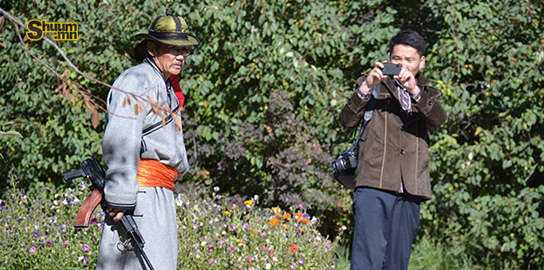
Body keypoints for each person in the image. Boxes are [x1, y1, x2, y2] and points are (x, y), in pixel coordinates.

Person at [97, 9, 200, 270]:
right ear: (152, 49)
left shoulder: (164, 85)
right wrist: (120, 196)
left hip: (158, 193)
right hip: (140, 195)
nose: (180, 56)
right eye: (172, 48)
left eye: (184, 50)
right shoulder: (138, 79)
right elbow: (121, 138)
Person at [340, 30, 447, 270]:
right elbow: (346, 121)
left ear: (421, 62)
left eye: (409, 60)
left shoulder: (427, 93)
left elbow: (438, 120)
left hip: (410, 186)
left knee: (397, 263)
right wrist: (367, 85)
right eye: (397, 59)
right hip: (373, 182)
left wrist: (413, 90)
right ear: (389, 59)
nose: (402, 65)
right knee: (366, 260)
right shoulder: (373, 85)